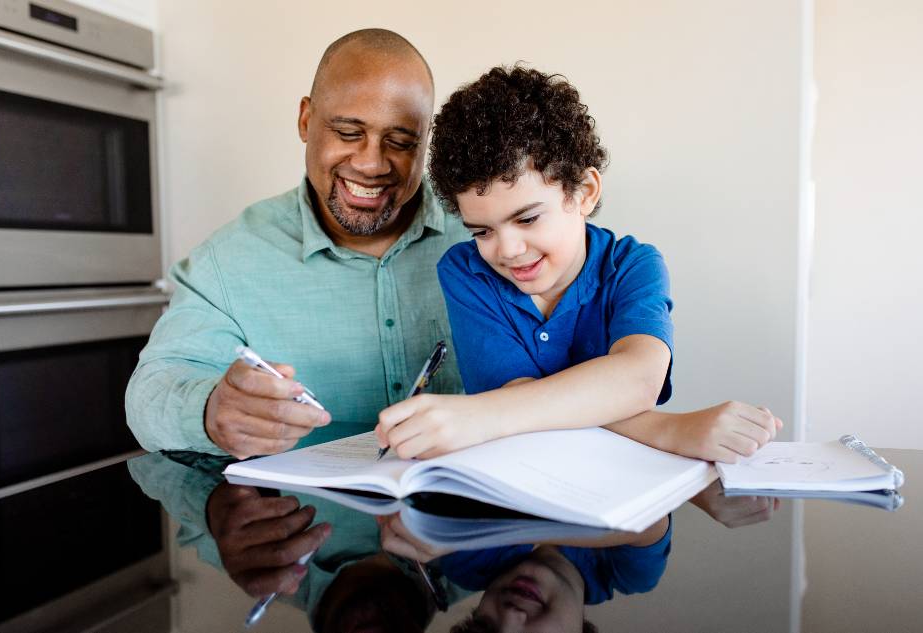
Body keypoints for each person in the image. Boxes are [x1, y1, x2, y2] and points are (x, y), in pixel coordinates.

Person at [376, 66, 782, 462]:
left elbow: (638, 378)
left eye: (528, 218)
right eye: (482, 231)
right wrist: (671, 431)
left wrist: (485, 414)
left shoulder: (633, 266)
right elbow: (518, 397)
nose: (508, 249)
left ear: (585, 192)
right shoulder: (466, 272)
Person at [125, 29, 470, 458]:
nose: (371, 163)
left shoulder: (486, 229)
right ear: (306, 121)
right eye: (347, 132)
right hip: (310, 518)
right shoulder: (229, 261)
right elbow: (148, 395)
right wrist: (209, 411)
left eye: (400, 142)